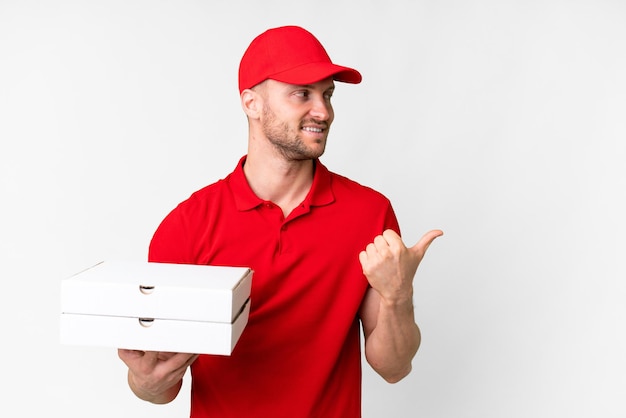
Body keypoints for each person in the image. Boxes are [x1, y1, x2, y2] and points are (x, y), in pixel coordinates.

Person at [118, 25, 443, 417]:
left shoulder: (369, 213)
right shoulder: (187, 225)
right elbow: (160, 387)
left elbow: (393, 367)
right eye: (302, 94)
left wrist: (398, 295)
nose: (323, 111)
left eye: (327, 95)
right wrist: (143, 382)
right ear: (251, 103)